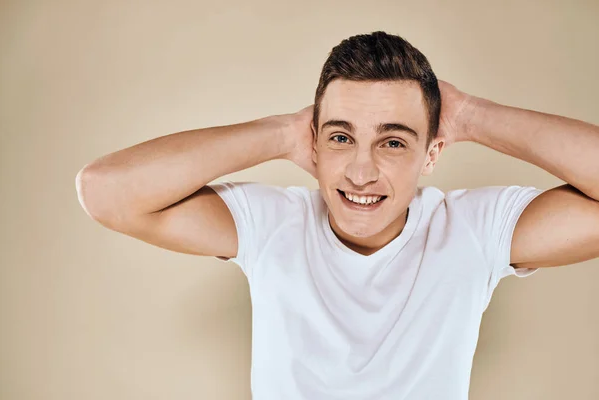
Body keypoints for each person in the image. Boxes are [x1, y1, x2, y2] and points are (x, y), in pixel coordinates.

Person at [75, 31, 599, 400]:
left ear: (432, 153)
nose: (361, 171)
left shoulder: (472, 230)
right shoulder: (271, 224)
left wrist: (469, 115)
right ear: (316, 144)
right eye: (342, 137)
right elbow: (105, 192)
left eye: (393, 142)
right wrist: (280, 134)